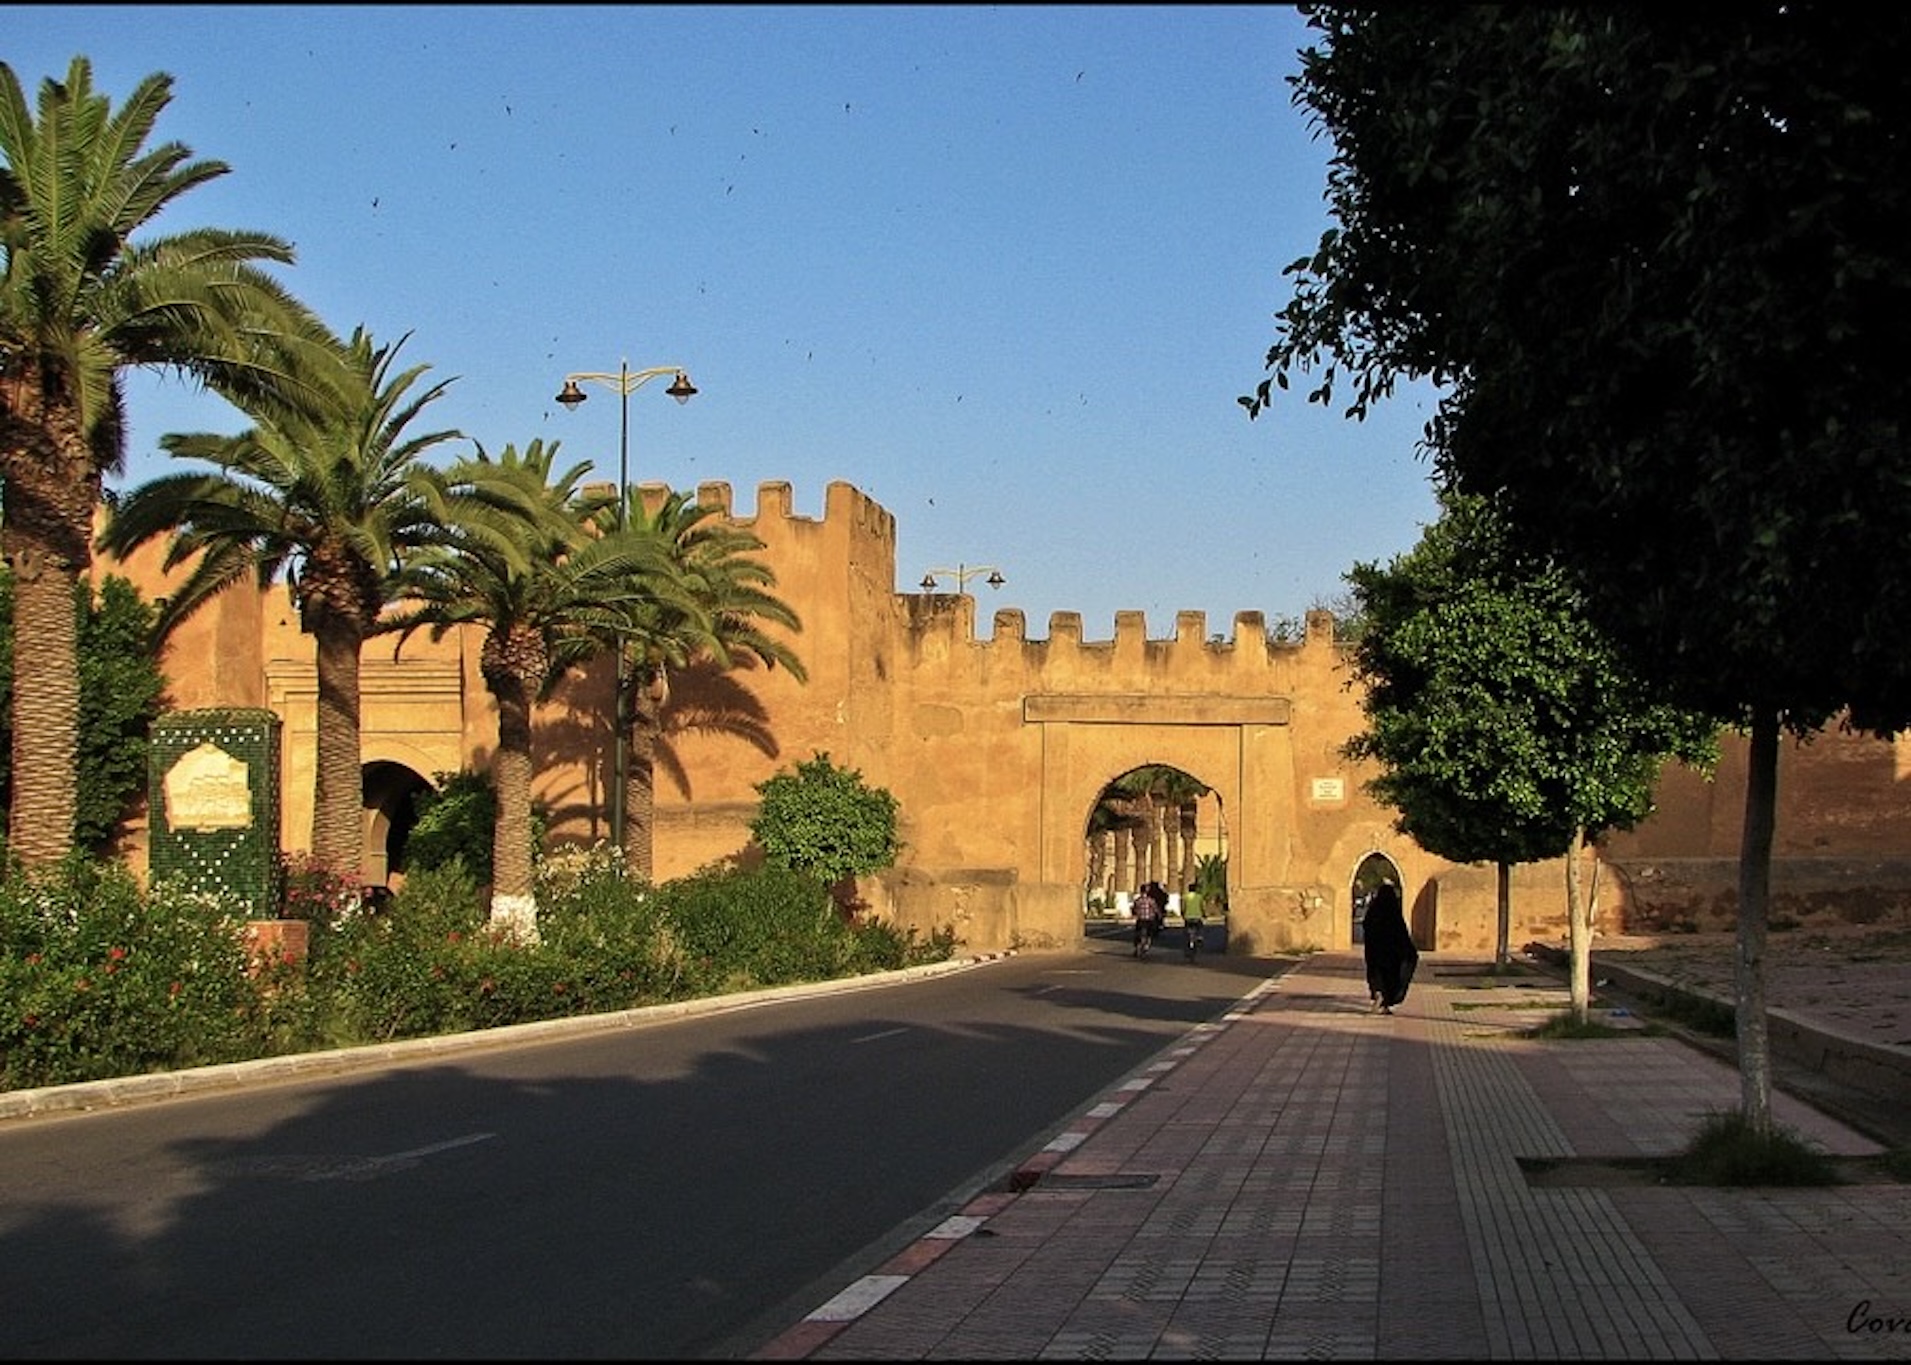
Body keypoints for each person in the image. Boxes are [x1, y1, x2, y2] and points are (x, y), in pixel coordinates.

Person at [1361, 881, 1418, 1013]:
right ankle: (1386, 1001)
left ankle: (1379, 996)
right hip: (1391, 955)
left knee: (1376, 974)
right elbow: (1402, 935)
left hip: (1375, 952)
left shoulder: (1373, 911)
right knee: (1391, 977)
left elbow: (1366, 926)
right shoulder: (1393, 913)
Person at [1132, 881, 1165, 957]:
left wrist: (1136, 913)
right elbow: (1156, 909)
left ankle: (1137, 947)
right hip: (1149, 920)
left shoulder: (1138, 900)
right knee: (1150, 934)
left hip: (1140, 920)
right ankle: (1146, 945)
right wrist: (1159, 916)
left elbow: (1134, 910)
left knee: (1137, 933)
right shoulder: (1151, 900)